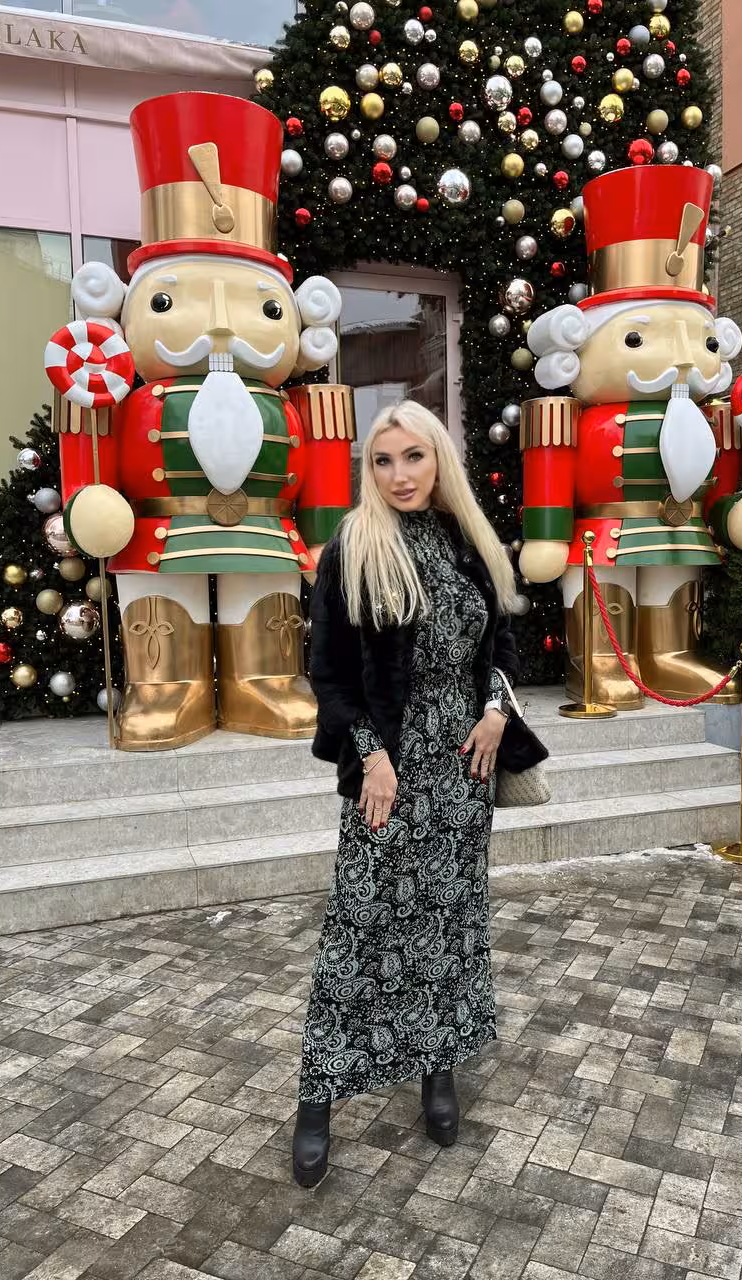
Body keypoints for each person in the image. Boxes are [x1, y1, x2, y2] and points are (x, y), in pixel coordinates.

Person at [292, 400, 545, 1188]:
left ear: (439, 461)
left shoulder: (470, 541)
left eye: (413, 457)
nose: (399, 475)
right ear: (368, 469)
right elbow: (328, 674)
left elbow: (500, 645)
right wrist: (369, 756)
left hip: (464, 771)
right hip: (388, 772)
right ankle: (317, 1099)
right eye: (383, 460)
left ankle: (439, 1070)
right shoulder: (352, 549)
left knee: (451, 922)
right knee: (359, 931)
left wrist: (497, 709)